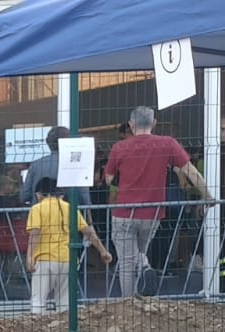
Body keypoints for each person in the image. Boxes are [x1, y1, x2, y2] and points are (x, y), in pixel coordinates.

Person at [103, 106, 214, 296]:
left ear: (130, 125)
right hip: (152, 213)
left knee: (127, 262)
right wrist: (207, 197)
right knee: (140, 251)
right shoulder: (167, 144)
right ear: (154, 123)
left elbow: (108, 179)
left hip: (124, 212)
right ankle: (143, 269)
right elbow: (191, 172)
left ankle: (129, 302)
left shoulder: (119, 147)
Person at [26, 177, 112, 314]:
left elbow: (35, 233)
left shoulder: (37, 209)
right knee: (64, 303)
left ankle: (37, 325)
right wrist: (103, 251)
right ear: (60, 194)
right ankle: (64, 326)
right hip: (68, 260)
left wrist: (30, 256)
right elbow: (88, 231)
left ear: (38, 195)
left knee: (38, 301)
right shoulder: (70, 208)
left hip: (44, 259)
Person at [19, 126, 90, 207]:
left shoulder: (36, 165)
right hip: (68, 212)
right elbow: (84, 196)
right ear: (69, 142)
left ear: (47, 142)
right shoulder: (76, 165)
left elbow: (25, 196)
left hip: (41, 212)